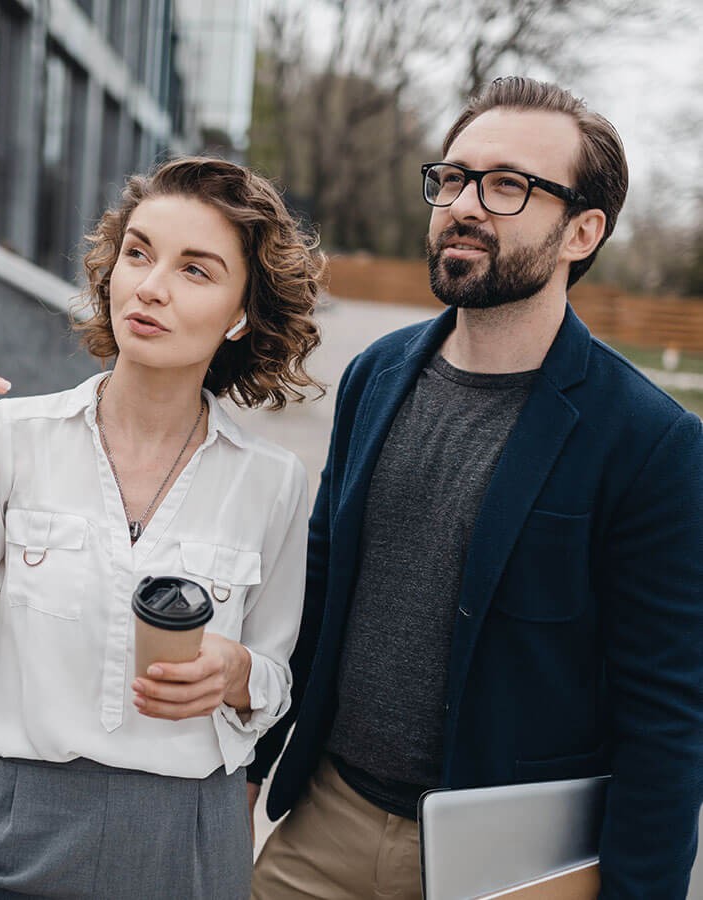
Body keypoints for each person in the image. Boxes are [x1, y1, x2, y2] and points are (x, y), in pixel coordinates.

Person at [248, 76, 703, 899]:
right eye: (452, 179)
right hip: (325, 824)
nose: (465, 204)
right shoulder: (375, 376)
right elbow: (317, 597)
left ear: (582, 230)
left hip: (506, 864)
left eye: (508, 186)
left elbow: (667, 716)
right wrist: (249, 769)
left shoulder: (651, 443)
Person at [0, 156, 325, 899]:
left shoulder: (272, 481)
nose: (151, 286)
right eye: (138, 253)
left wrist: (235, 673)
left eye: (195, 270)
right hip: (2, 829)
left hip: (185, 843)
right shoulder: (15, 437)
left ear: (241, 312)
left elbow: (273, 679)